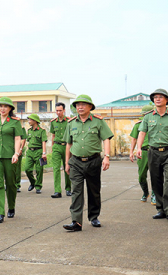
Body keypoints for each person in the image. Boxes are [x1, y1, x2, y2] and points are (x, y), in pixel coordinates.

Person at [63, 95, 113, 232]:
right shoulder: (71, 123)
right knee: (76, 192)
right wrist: (67, 163)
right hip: (76, 162)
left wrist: (106, 157)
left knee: (94, 191)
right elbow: (69, 144)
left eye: (83, 105)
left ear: (90, 107)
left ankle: (94, 217)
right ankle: (76, 221)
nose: (80, 107)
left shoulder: (98, 122)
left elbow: (106, 139)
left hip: (93, 161)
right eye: (77, 105)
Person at [136, 89, 168, 223]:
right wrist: (138, 148)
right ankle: (161, 209)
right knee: (156, 181)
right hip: (154, 152)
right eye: (155, 97)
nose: (157, 99)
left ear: (166, 100)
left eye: (160, 97)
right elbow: (142, 133)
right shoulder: (148, 117)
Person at [0, 97, 22, 223]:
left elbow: (17, 139)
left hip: (9, 156)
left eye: (5, 106)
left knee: (11, 184)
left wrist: (16, 153)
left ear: (10, 109)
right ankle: (0, 213)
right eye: (0, 106)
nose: (2, 109)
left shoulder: (15, 122)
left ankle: (11, 207)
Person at [129, 104, 155, 205]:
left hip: (154, 151)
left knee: (155, 175)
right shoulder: (138, 125)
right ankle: (145, 192)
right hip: (143, 152)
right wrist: (131, 151)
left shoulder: (156, 124)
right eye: (144, 114)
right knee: (141, 175)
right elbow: (134, 139)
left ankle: (154, 195)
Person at [50, 102, 71, 198]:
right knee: (56, 169)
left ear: (64, 110)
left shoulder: (70, 121)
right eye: (57, 111)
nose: (58, 112)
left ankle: (68, 189)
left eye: (60, 110)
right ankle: (57, 191)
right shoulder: (53, 122)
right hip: (57, 147)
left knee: (67, 168)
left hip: (67, 146)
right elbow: (53, 135)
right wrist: (52, 148)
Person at [23, 113, 47, 194]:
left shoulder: (42, 131)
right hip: (30, 151)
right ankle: (33, 182)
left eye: (30, 120)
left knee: (39, 170)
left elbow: (43, 142)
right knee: (27, 169)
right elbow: (25, 140)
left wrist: (44, 153)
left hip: (39, 151)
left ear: (35, 121)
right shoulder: (29, 130)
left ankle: (38, 186)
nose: (29, 121)